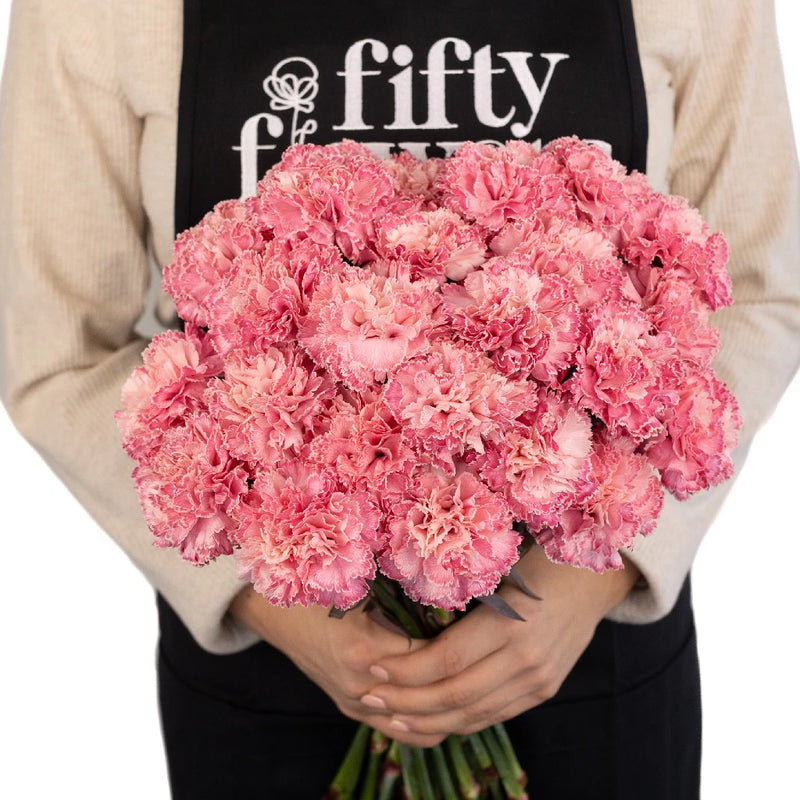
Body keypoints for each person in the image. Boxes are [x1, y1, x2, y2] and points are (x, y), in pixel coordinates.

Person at [1, 1, 798, 798]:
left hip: (589, 659)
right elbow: (57, 353)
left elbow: (760, 291)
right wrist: (276, 591)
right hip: (269, 678)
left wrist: (595, 577)